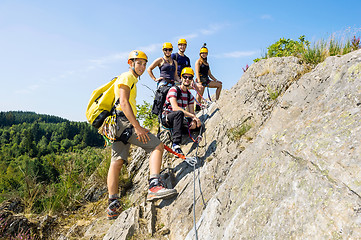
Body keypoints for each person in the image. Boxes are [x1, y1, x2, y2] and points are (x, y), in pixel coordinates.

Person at [106, 50, 177, 220]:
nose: (143, 67)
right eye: (139, 63)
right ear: (130, 63)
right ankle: (154, 186)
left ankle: (112, 205)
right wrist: (137, 127)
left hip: (117, 125)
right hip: (124, 123)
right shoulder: (127, 77)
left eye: (145, 64)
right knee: (157, 146)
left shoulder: (128, 79)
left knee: (116, 162)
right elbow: (123, 102)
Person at [160, 67, 202, 155]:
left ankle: (183, 131)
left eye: (190, 78)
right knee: (179, 113)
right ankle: (175, 145)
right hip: (168, 117)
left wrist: (193, 121)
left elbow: (191, 113)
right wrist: (193, 117)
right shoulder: (174, 89)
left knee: (199, 125)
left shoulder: (189, 95)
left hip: (179, 119)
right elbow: (175, 108)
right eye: (185, 77)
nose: (187, 79)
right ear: (181, 77)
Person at [195, 43, 222, 109]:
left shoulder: (207, 63)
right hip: (201, 80)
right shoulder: (198, 62)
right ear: (200, 54)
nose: (204, 54)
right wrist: (199, 82)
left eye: (205, 53)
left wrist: (216, 80)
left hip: (206, 80)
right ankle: (197, 108)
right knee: (199, 95)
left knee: (219, 85)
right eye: (202, 53)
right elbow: (197, 72)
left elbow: (210, 74)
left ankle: (217, 101)